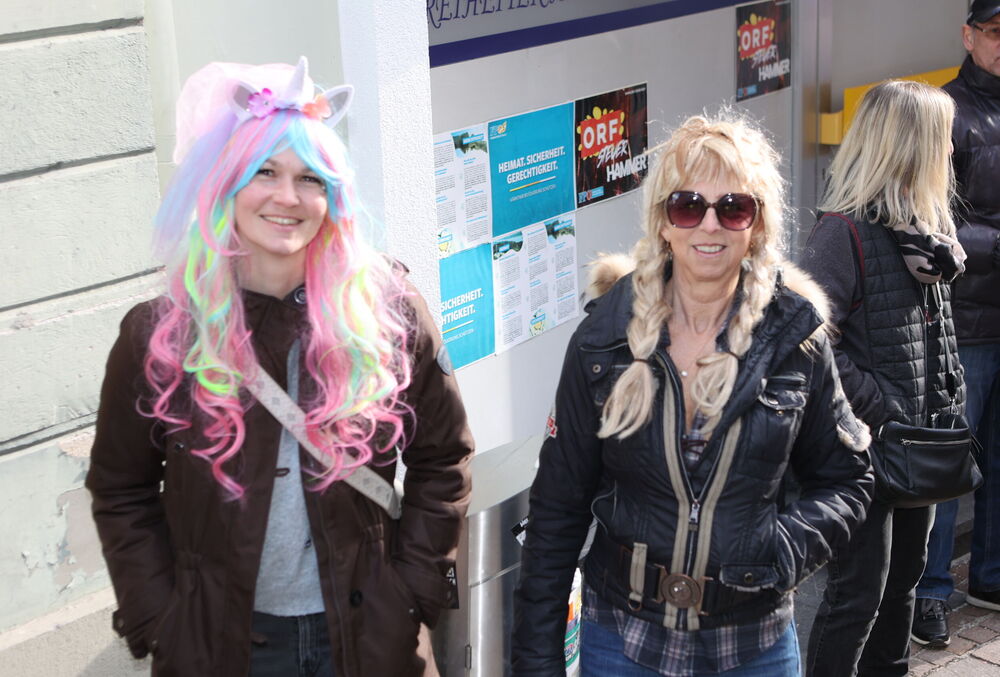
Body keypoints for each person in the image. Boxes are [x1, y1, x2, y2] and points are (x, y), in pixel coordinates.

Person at [85, 58, 473, 677]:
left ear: (333, 197)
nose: (287, 197)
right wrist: (159, 619)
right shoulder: (160, 335)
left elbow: (443, 459)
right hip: (223, 649)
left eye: (310, 178)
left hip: (371, 639)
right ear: (227, 185)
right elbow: (120, 488)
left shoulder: (389, 311)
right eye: (265, 171)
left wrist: (412, 595)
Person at [511, 113, 874, 676]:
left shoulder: (795, 339)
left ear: (756, 224)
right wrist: (536, 660)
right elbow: (558, 506)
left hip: (754, 646)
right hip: (621, 643)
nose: (710, 225)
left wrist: (779, 551)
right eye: (688, 206)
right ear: (663, 222)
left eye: (733, 207)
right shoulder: (603, 339)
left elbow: (847, 481)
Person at [801, 80, 967, 676]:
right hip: (863, 449)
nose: (952, 151)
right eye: (944, 139)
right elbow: (809, 339)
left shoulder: (925, 233)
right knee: (858, 596)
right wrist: (880, 406)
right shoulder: (841, 232)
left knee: (903, 583)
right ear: (910, 146)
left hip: (915, 445)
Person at [912, 0, 1000, 648]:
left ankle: (989, 577)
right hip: (963, 322)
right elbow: (929, 222)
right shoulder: (945, 114)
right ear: (969, 35)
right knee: (948, 464)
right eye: (995, 32)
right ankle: (930, 592)